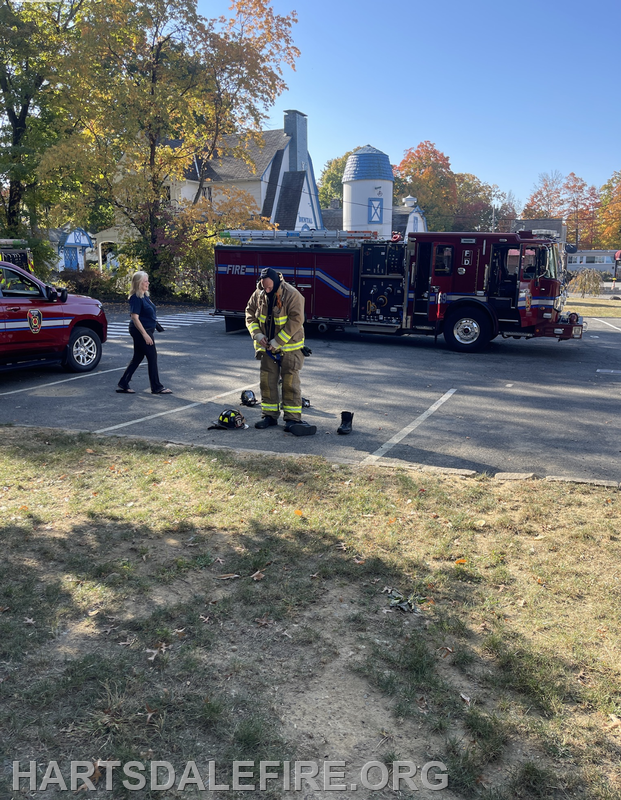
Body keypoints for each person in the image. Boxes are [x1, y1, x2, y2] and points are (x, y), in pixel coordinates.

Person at [245, 267, 315, 436]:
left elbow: (297, 319)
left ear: (276, 282)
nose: (266, 290)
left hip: (289, 348)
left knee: (290, 383)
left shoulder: (292, 294)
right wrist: (257, 334)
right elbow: (249, 314)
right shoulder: (258, 293)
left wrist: (278, 341)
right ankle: (269, 416)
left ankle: (292, 420)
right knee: (267, 382)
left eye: (270, 287)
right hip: (268, 348)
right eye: (264, 287)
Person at [116, 271, 172, 395]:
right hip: (140, 331)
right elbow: (135, 318)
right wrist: (145, 334)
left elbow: (148, 313)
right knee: (152, 356)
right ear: (138, 283)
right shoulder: (135, 298)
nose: (148, 283)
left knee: (138, 357)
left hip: (146, 329)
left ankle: (123, 383)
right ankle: (156, 387)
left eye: (147, 280)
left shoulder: (145, 296)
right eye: (145, 281)